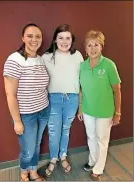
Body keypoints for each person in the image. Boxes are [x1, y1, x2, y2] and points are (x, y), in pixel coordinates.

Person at [3, 23, 50, 181]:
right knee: (28, 150)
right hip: (25, 115)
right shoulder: (14, 60)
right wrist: (17, 121)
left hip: (43, 110)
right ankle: (24, 174)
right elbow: (10, 94)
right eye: (30, 36)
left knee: (36, 145)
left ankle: (34, 172)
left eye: (38, 36)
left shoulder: (41, 60)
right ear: (23, 38)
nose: (34, 40)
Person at [78, 30, 121, 181]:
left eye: (96, 45)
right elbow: (81, 90)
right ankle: (92, 161)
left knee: (102, 140)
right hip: (88, 110)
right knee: (91, 137)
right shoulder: (82, 66)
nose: (93, 48)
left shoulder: (109, 65)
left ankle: (98, 169)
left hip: (105, 111)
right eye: (89, 45)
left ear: (101, 46)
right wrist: (80, 108)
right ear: (85, 48)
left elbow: (117, 90)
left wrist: (117, 113)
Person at [42, 24, 84, 177]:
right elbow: (40, 81)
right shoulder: (46, 57)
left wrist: (80, 105)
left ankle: (63, 156)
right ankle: (53, 158)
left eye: (68, 38)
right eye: (61, 38)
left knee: (65, 129)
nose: (64, 41)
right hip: (53, 99)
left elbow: (81, 82)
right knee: (53, 131)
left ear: (72, 40)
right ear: (55, 39)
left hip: (72, 99)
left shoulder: (77, 55)